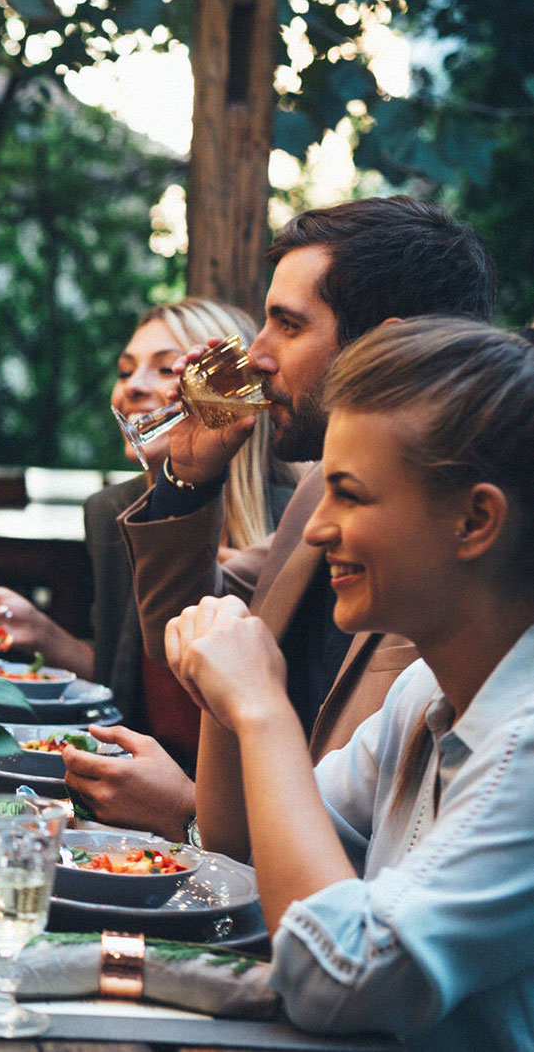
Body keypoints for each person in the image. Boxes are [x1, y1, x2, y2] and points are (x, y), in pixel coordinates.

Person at [169, 318, 534, 1046]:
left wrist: (263, 707)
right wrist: (226, 698)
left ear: (474, 520)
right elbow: (243, 855)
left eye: (348, 494)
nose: (313, 527)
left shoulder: (522, 745)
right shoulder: (425, 692)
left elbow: (333, 978)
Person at [118, 197, 496, 829]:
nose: (255, 356)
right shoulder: (316, 492)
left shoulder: (464, 563)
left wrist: (191, 813)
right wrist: (190, 477)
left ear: (388, 346)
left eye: (287, 326)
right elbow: (181, 634)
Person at [0, 298, 291, 835]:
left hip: (242, 819)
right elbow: (128, 678)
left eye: (165, 368)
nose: (132, 386)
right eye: (124, 370)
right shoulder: (115, 513)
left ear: (230, 394)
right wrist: (43, 633)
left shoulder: (301, 527)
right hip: (125, 807)